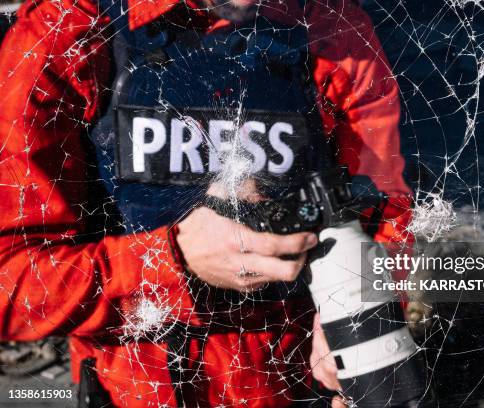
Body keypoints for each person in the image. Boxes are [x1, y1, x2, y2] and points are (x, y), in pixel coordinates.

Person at [0, 0, 411, 406]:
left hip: (299, 381)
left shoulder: (333, 27)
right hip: (136, 386)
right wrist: (172, 260)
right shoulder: (66, 30)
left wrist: (356, 324)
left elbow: (387, 208)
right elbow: (9, 287)